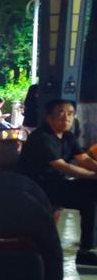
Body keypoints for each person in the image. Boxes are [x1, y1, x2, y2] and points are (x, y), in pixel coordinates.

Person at [17, 97, 97, 266]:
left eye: (70, 114)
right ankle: (85, 250)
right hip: (38, 187)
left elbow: (83, 158)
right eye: (61, 113)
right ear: (49, 117)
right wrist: (92, 175)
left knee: (93, 193)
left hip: (57, 183)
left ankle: (87, 248)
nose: (66, 118)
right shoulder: (42, 137)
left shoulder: (68, 136)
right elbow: (63, 166)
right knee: (89, 198)